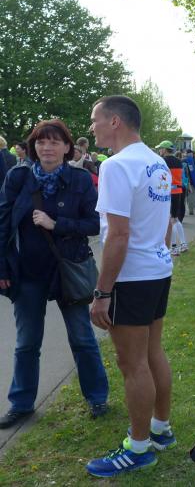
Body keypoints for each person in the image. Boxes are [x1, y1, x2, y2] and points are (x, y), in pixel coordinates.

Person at [85, 96, 175, 477]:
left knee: (132, 363)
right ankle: (160, 429)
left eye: (95, 120)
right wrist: (159, 255)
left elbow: (118, 235)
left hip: (131, 277)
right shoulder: (157, 162)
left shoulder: (116, 166)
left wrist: (102, 292)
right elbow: (165, 221)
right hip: (156, 270)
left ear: (115, 122)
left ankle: (139, 448)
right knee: (152, 352)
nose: (91, 127)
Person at [0, 119, 109, 430]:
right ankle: (21, 404)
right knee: (26, 342)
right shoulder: (18, 177)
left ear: (67, 148)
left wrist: (57, 224)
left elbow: (94, 224)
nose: (47, 147)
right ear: (33, 147)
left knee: (82, 338)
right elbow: (2, 222)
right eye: (41, 142)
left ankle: (97, 398)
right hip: (27, 272)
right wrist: (2, 267)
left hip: (68, 270)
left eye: (54, 142)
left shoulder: (80, 180)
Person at [156, 140, 185, 256]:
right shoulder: (179, 161)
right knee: (175, 218)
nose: (159, 151)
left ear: (164, 149)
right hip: (178, 190)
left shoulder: (162, 161)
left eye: (160, 148)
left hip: (167, 191)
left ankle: (173, 247)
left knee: (169, 220)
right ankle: (183, 243)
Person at [183, 149, 195, 214]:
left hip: (184, 181)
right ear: (191, 154)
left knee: (183, 197)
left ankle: (183, 211)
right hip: (192, 182)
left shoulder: (182, 161)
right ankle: (191, 210)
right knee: (191, 196)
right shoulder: (194, 162)